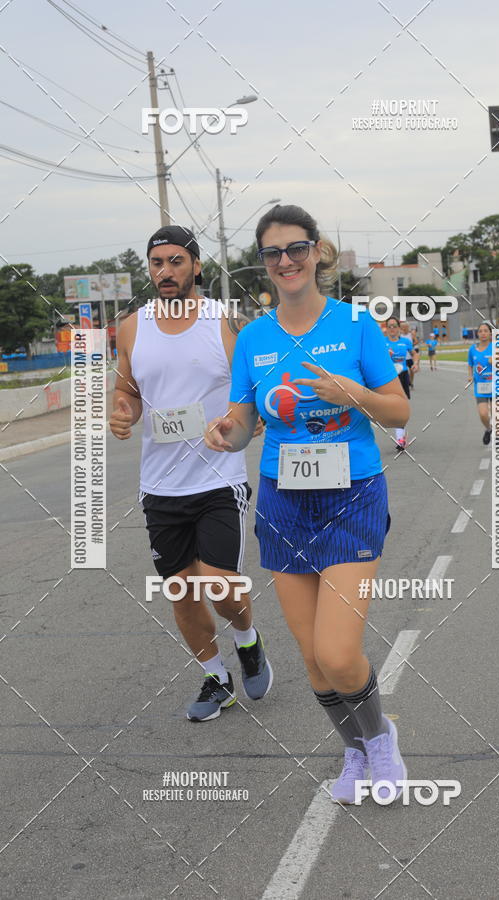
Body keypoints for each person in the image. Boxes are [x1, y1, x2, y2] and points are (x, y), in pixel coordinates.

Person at [204, 204, 410, 805]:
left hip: (352, 496)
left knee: (338, 653)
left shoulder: (355, 325)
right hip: (283, 502)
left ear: (317, 252)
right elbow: (245, 421)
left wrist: (349, 391)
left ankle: (381, 738)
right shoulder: (254, 338)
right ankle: (354, 752)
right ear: (264, 265)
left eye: (296, 248)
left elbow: (398, 412)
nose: (286, 261)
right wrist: (228, 432)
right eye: (273, 253)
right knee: (313, 662)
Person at [109, 225, 273, 722]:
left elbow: (255, 390)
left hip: (218, 476)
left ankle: (247, 638)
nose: (165, 271)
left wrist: (246, 420)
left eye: (176, 261)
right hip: (159, 484)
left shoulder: (224, 320)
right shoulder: (132, 327)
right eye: (156, 262)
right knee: (182, 590)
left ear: (196, 266)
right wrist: (121, 410)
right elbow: (129, 392)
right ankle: (216, 677)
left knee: (221, 584)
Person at [384, 317, 412, 451]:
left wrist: (416, 363)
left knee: (402, 405)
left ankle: (401, 436)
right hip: (388, 377)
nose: (392, 329)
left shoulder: (405, 342)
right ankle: (400, 436)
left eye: (394, 326)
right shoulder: (381, 343)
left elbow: (415, 354)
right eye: (389, 326)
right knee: (393, 407)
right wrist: (385, 356)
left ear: (399, 328)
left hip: (403, 375)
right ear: (386, 329)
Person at [467, 323, 494, 444]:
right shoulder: (472, 349)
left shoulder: (496, 347)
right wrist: (470, 375)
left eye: (485, 331)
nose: (483, 333)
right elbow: (470, 364)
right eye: (480, 331)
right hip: (481, 386)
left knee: (496, 412)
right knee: (483, 414)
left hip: (496, 385)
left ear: (490, 333)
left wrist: (496, 360)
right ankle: (488, 429)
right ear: (477, 334)